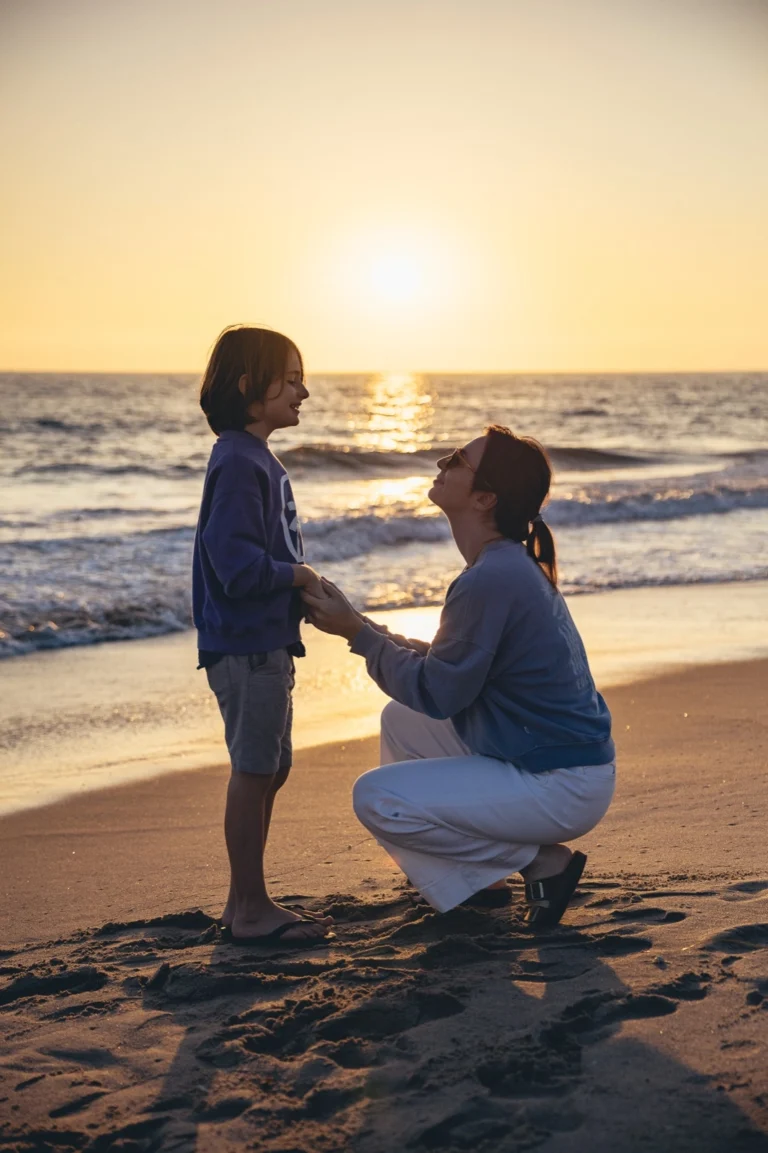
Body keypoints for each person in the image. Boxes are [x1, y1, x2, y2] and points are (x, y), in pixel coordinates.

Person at [303, 425, 616, 927]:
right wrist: (360, 626)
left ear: (485, 498)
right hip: (556, 764)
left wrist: (357, 637)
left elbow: (438, 691)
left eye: (455, 461)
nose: (440, 466)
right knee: (401, 720)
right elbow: (450, 667)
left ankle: (541, 863)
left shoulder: (491, 578)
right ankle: (476, 881)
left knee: (376, 797)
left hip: (561, 783)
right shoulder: (503, 566)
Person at [193, 325, 332, 946]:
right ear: (250, 386)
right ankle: (250, 907)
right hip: (247, 649)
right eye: (294, 378)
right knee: (253, 771)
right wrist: (297, 574)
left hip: (265, 645)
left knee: (271, 769)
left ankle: (241, 900)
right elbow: (236, 567)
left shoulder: (256, 459)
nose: (305, 391)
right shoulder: (239, 461)